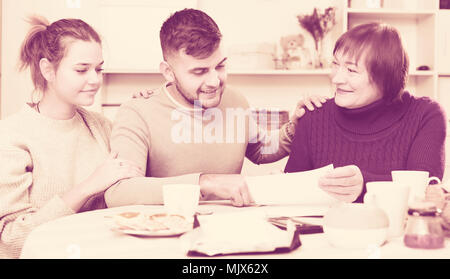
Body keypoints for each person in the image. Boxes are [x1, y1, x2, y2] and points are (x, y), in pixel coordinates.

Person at [104, 8, 326, 208]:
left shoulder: (235, 100)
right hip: (164, 235)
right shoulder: (137, 112)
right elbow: (119, 192)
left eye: (220, 66)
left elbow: (260, 150)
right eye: (199, 72)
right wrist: (205, 183)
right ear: (168, 72)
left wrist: (296, 126)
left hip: (228, 233)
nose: (214, 81)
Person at [0, 16, 143, 258]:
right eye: (81, 70)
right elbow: (11, 241)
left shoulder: (102, 127)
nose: (95, 80)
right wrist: (87, 187)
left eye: (99, 69)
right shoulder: (11, 137)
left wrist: (143, 111)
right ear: (48, 70)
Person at [285, 22, 446, 203]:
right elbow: (291, 195)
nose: (336, 79)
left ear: (386, 76)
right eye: (335, 64)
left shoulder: (425, 115)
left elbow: (423, 193)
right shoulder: (313, 115)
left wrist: (365, 185)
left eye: (351, 70)